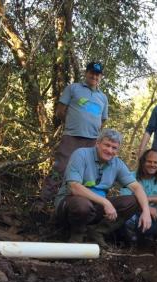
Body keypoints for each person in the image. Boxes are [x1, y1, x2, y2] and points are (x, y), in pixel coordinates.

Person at [54, 129, 152, 246]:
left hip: (95, 209)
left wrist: (146, 211)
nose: (110, 150)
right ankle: (77, 234)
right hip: (70, 205)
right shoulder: (81, 154)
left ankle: (97, 232)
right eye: (107, 145)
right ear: (98, 143)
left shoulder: (117, 164)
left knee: (134, 201)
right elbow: (74, 187)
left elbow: (137, 188)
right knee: (82, 204)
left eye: (114, 147)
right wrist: (105, 202)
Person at [39, 62, 109, 204]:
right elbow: (60, 111)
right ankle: (44, 200)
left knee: (86, 173)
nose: (94, 76)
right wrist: (73, 124)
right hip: (72, 137)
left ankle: (74, 203)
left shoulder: (103, 98)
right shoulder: (73, 88)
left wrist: (94, 130)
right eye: (92, 73)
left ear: (101, 77)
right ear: (86, 73)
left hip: (92, 141)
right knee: (61, 167)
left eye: (97, 74)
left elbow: (103, 120)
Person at [121, 149, 157, 258]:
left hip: (156, 218)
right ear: (143, 162)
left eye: (155, 162)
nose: (152, 165)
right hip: (136, 218)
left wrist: (148, 200)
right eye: (149, 161)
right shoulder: (131, 176)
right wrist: (146, 208)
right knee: (125, 210)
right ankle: (132, 243)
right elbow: (125, 199)